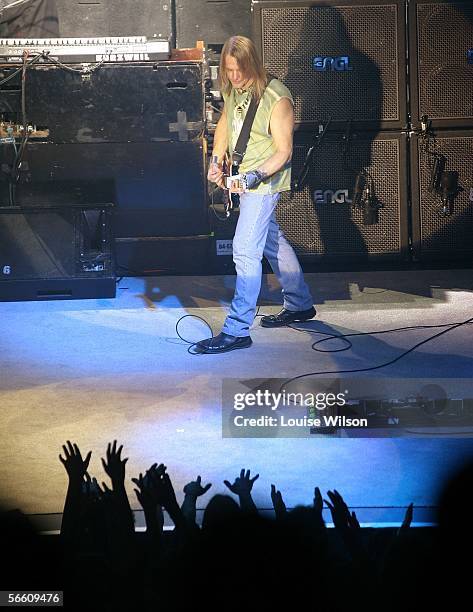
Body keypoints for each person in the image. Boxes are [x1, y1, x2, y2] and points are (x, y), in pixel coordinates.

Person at [196, 35, 315, 354]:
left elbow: (284, 152)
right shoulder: (233, 86)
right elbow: (225, 120)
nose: (234, 77)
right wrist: (217, 158)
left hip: (264, 182)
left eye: (239, 70)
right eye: (229, 70)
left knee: (245, 249)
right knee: (272, 241)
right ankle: (300, 304)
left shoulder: (278, 98)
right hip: (241, 174)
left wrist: (252, 176)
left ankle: (237, 330)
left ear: (253, 64)